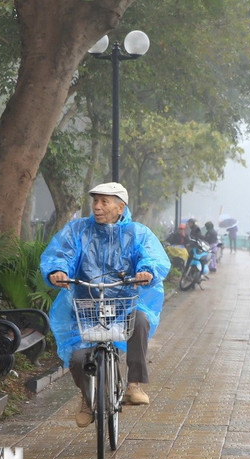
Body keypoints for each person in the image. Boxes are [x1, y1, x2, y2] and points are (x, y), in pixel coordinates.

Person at [41, 182, 171, 428]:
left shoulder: (137, 233)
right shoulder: (78, 230)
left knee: (140, 320)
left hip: (124, 306)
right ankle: (87, 398)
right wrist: (58, 270)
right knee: (78, 359)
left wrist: (146, 271)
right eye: (95, 201)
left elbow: (151, 256)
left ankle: (134, 384)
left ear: (120, 207)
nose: (97, 207)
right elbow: (62, 253)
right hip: (86, 308)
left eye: (104, 202)